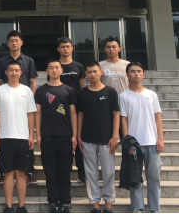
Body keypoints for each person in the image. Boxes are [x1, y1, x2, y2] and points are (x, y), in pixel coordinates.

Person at [119, 62, 164, 214]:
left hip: (152, 142)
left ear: (143, 75)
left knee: (154, 178)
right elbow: (123, 120)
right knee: (135, 178)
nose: (136, 74)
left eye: (139, 71)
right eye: (132, 71)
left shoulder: (151, 95)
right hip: (134, 144)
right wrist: (126, 141)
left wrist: (160, 139)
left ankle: (155, 208)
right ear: (127, 75)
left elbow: (157, 118)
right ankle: (137, 207)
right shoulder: (123, 96)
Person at [0, 30, 38, 185]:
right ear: (7, 43)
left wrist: (30, 98)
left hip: (23, 100)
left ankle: (29, 171)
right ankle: (4, 172)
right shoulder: (2, 61)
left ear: (21, 43)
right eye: (11, 40)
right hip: (7, 99)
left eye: (16, 40)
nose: (14, 43)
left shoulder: (28, 61)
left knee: (26, 140)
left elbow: (32, 82)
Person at [0, 60, 37, 214]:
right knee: (8, 173)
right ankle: (9, 206)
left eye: (16, 70)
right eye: (10, 70)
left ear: (21, 73)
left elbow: (30, 114)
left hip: (23, 138)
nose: (13, 72)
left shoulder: (27, 91)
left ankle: (21, 206)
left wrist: (31, 135)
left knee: (21, 173)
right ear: (6, 72)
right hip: (5, 137)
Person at [35, 59, 78, 214]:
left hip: (65, 136)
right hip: (47, 136)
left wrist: (74, 135)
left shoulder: (69, 90)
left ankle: (65, 202)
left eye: (57, 68)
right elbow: (38, 113)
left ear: (61, 70)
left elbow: (72, 113)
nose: (54, 70)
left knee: (65, 171)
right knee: (50, 172)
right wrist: (38, 134)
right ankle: (53, 202)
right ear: (46, 71)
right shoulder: (40, 91)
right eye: (51, 68)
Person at [77, 62, 120, 214]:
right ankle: (95, 205)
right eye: (89, 72)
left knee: (109, 172)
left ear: (101, 72)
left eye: (95, 71)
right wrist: (78, 135)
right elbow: (80, 115)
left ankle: (108, 205)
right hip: (87, 138)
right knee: (91, 173)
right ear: (86, 75)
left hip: (107, 139)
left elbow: (116, 114)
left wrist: (115, 136)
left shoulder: (110, 91)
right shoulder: (81, 93)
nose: (92, 74)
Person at [56, 36, 86, 185]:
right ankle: (64, 174)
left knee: (79, 139)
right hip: (60, 108)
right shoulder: (55, 66)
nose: (65, 49)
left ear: (72, 48)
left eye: (68, 46)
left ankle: (82, 174)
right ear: (58, 49)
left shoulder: (78, 66)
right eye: (62, 47)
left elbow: (81, 87)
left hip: (77, 107)